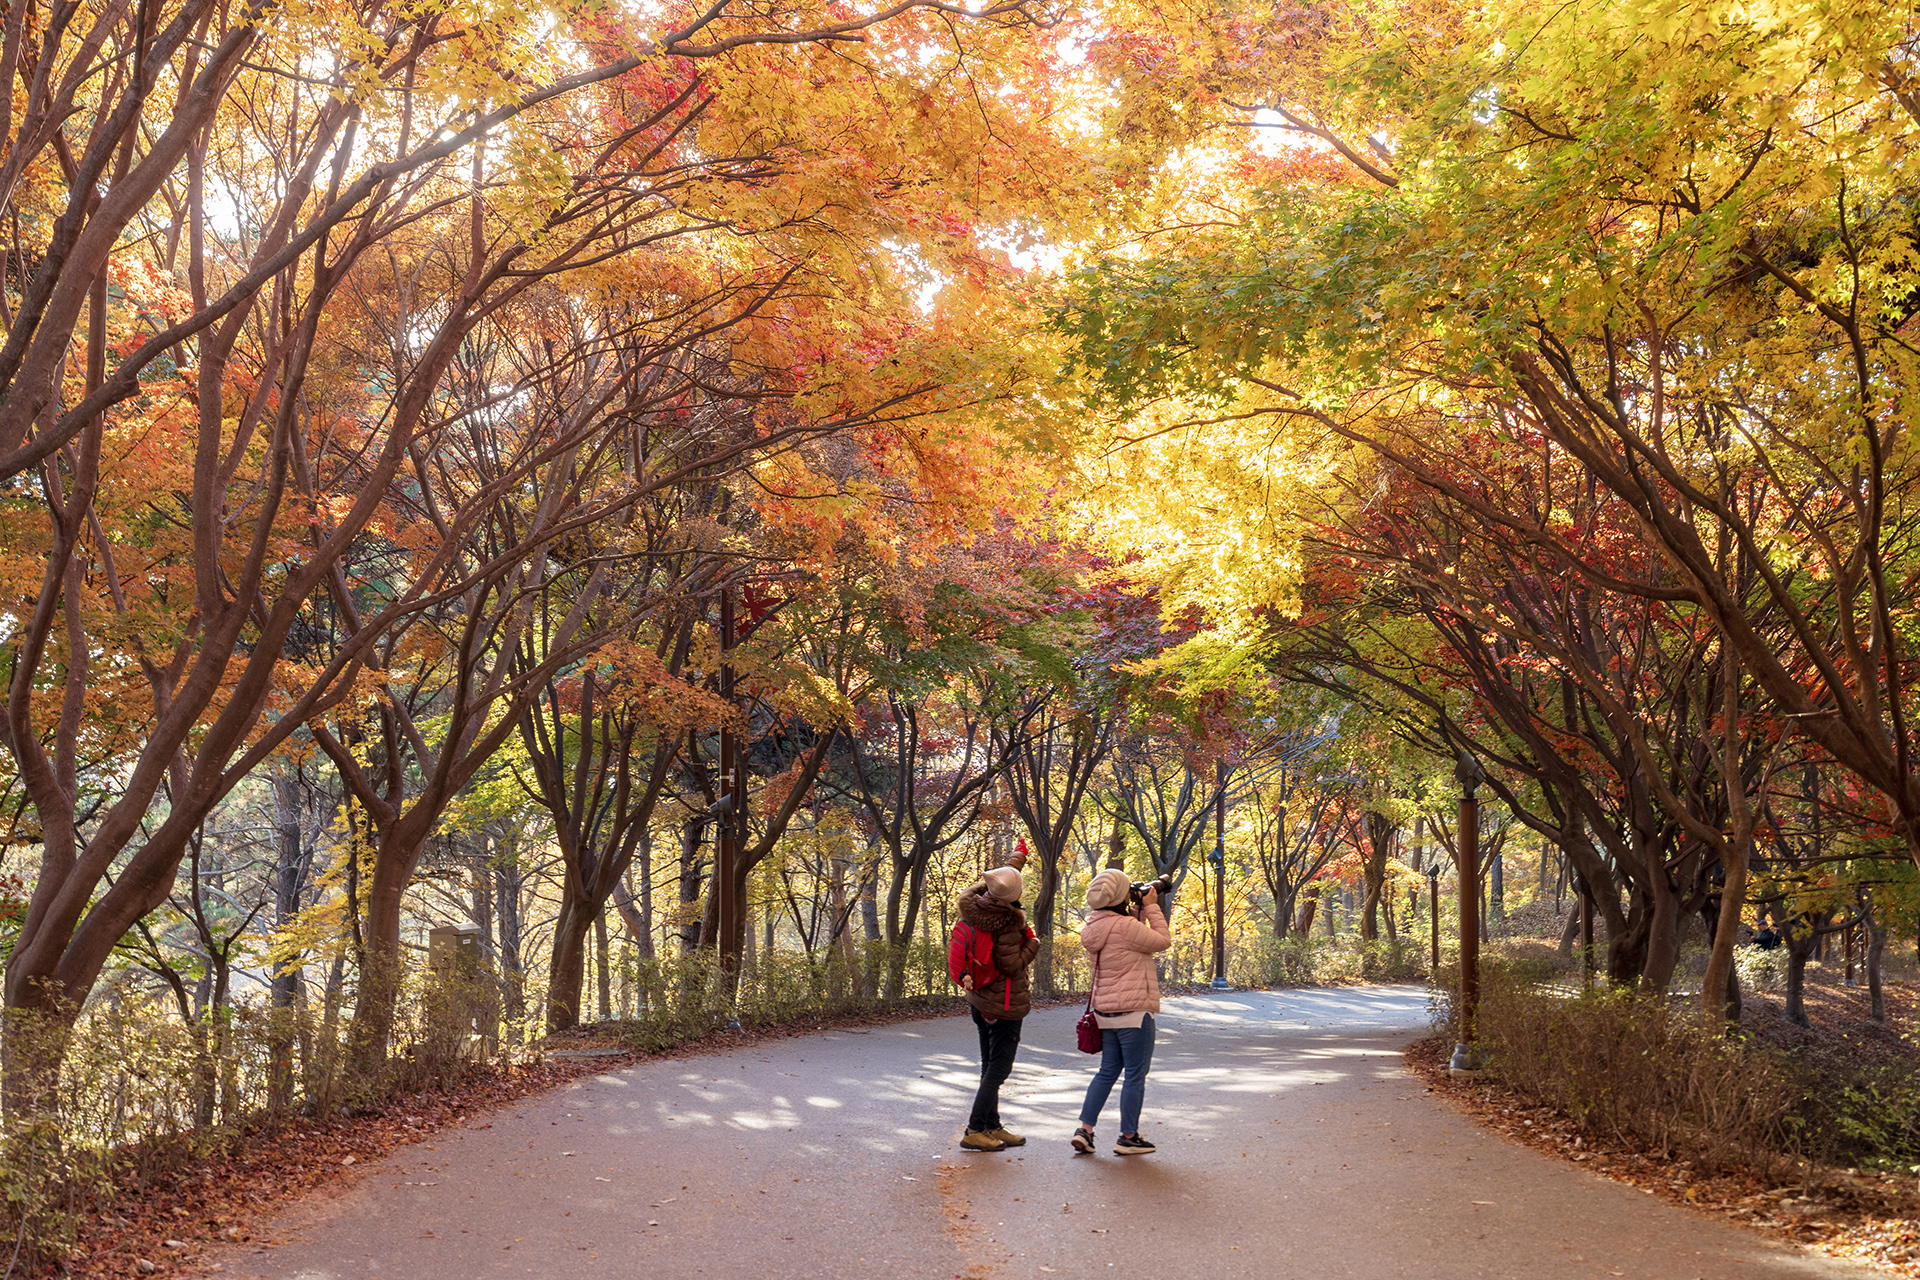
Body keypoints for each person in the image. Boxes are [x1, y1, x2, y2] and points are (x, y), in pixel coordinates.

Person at [1072, 868, 1171, 1156]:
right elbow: (1162, 941)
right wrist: (1151, 907)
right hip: (1134, 1013)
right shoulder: (1126, 926)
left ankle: (1085, 1130)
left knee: (1107, 1072)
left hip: (1106, 1013)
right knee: (1135, 1075)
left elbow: (1129, 941)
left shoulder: (1094, 926)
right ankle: (1128, 1137)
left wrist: (1137, 912)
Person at [956, 852, 1039, 1153]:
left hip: (980, 1000)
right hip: (1003, 1004)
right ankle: (974, 1129)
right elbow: (1011, 965)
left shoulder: (975, 907)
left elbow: (997, 885)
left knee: (989, 1066)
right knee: (999, 1069)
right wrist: (1033, 945)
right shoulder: (1007, 923)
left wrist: (1014, 863)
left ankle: (991, 1125)